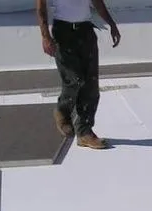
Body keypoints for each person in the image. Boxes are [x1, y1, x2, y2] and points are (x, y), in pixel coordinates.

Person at [36, 0, 121, 149]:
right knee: (74, 80)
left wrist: (112, 24)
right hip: (63, 32)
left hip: (85, 30)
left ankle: (84, 132)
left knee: (91, 83)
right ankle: (63, 111)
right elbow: (41, 7)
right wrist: (45, 36)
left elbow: (97, 2)